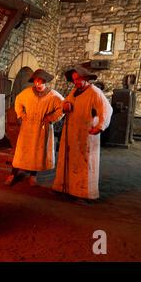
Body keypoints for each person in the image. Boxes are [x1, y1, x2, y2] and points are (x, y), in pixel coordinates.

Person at [52, 66, 113, 202]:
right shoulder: (74, 91)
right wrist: (65, 105)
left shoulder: (94, 92)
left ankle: (83, 194)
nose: (76, 82)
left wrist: (100, 126)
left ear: (85, 78)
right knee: (71, 161)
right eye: (74, 80)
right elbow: (66, 102)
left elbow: (106, 109)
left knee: (85, 164)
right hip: (72, 132)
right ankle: (68, 189)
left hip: (86, 133)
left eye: (78, 79)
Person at [4, 69, 64, 187]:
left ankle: (33, 176)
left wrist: (51, 118)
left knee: (37, 152)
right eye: (36, 81)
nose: (38, 84)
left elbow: (62, 108)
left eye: (40, 81)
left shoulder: (53, 96)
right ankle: (12, 174)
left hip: (42, 127)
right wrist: (21, 114)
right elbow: (18, 102)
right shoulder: (26, 93)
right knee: (21, 152)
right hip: (28, 127)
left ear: (45, 81)